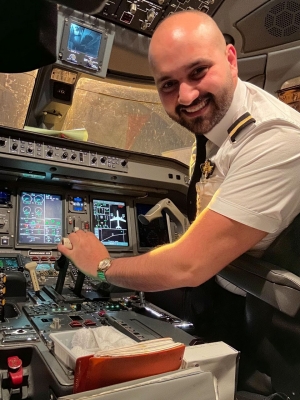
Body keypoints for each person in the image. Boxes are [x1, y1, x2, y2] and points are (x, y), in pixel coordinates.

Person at [58, 10, 300, 294]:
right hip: (222, 282)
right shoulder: (218, 125)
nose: (186, 96)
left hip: (259, 311)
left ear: (231, 60)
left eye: (198, 72)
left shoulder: (274, 137)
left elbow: (187, 266)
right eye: (169, 84)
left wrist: (101, 266)